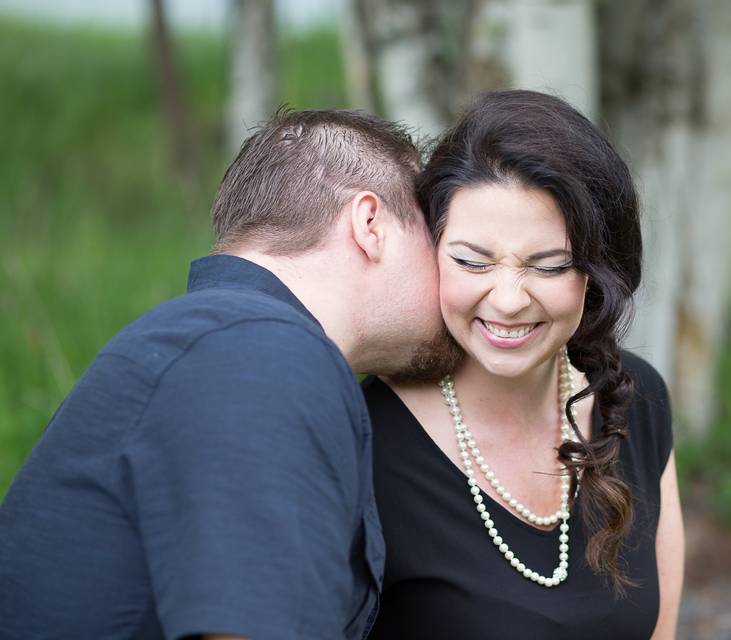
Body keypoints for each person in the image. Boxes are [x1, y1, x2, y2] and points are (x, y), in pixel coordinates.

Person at [0, 109, 458, 640]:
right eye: (435, 229)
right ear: (370, 224)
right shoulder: (261, 353)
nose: (454, 270)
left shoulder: (219, 341)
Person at [363, 90, 684, 639]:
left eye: (550, 266)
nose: (508, 299)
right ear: (430, 250)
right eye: (472, 261)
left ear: (597, 271)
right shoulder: (364, 436)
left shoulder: (632, 398)